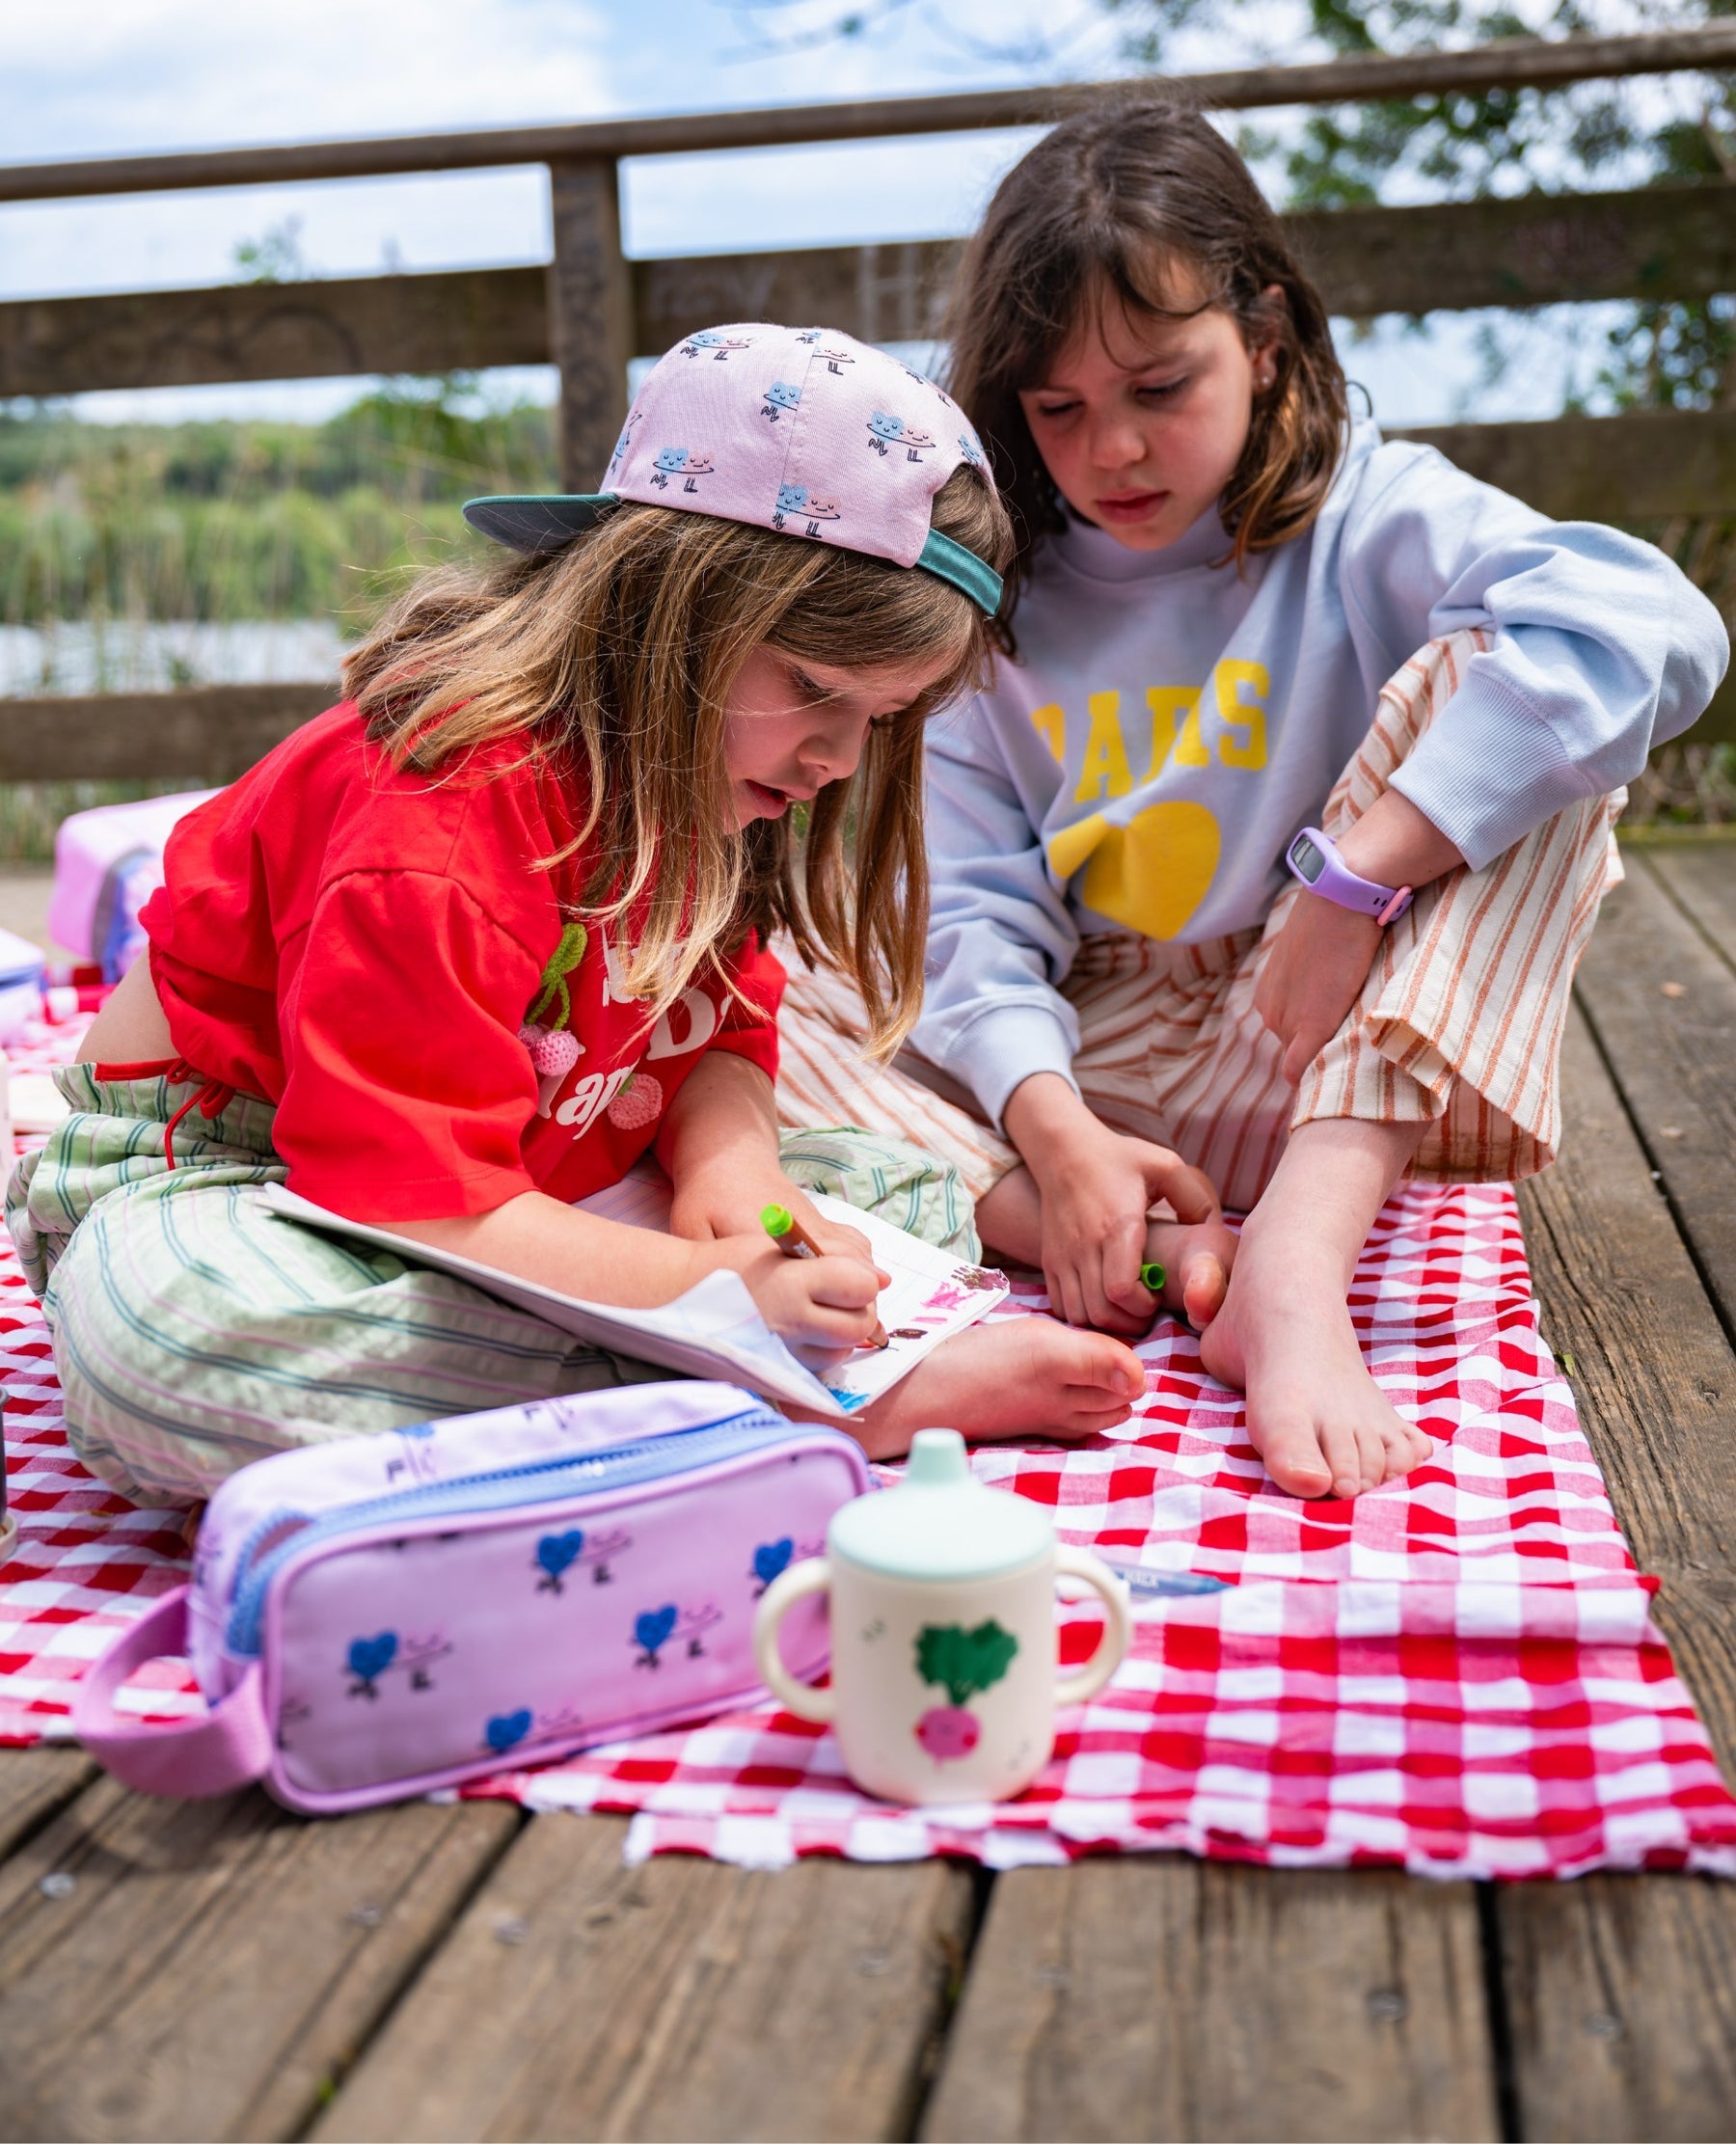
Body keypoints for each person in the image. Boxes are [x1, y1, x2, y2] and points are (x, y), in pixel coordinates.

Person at [9, 325, 1149, 1503]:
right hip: (242, 1177)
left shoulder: (701, 779)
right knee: (174, 1352)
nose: (837, 761)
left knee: (894, 1194)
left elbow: (714, 1037)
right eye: (814, 689)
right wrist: (711, 1300)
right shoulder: (439, 822)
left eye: (883, 717)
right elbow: (404, 1192)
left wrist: (736, 1182)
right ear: (666, 609)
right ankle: (775, 1399)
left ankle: (697, 1380)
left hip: (529, 1163)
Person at [773, 109, 1728, 1504]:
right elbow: (969, 905)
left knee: (1532, 707)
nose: (1112, 450)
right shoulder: (988, 599)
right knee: (746, 998)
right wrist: (1055, 1130)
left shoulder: (1368, 511)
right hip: (1065, 1082)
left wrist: (1356, 880)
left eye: (1160, 386)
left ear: (1265, 338)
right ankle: (1106, 1237)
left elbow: (1651, 625)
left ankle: (1291, 1264)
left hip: (1298, 1050)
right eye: (1059, 409)